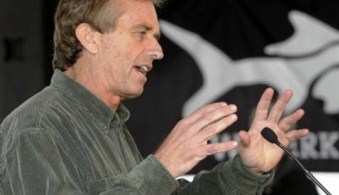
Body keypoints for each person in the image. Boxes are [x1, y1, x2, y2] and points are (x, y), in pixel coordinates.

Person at [0, 0, 309, 194]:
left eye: (156, 37)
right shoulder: (37, 128)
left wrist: (247, 171)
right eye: (140, 32)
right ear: (90, 38)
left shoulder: (107, 125)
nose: (157, 50)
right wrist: (162, 167)